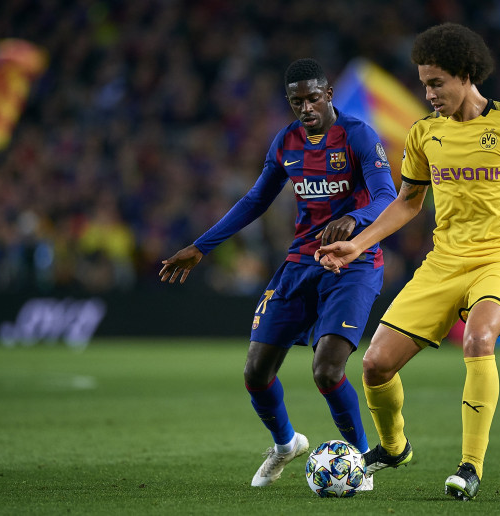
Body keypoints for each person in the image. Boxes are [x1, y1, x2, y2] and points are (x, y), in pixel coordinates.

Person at [315, 23, 500, 501]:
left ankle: (470, 466)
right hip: (443, 262)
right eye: (423, 83)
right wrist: (358, 244)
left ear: (466, 75)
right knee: (375, 365)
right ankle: (394, 448)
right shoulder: (425, 133)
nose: (428, 92)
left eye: (436, 82)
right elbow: (407, 203)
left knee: (479, 340)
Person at [159, 58, 397, 488]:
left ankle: (360, 459)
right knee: (255, 372)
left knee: (327, 370)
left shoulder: (359, 136)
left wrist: (357, 220)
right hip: (300, 264)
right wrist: (201, 247)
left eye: (312, 98)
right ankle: (286, 444)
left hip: (353, 263)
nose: (305, 108)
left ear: (327, 95)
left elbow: (388, 195)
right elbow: (255, 201)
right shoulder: (286, 143)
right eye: (296, 101)